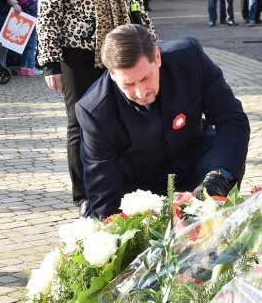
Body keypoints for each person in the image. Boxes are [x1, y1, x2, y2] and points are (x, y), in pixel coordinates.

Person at [37, 0, 156, 217]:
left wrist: (150, 40)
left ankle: (124, 184)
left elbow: (135, 0)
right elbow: (49, 10)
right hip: (77, 51)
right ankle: (85, 194)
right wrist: (50, 61)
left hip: (122, 49)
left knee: (124, 118)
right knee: (81, 122)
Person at [77, 24, 250, 219]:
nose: (141, 92)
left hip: (194, 154)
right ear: (112, 75)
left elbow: (231, 118)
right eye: (128, 84)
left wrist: (220, 177)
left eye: (145, 78)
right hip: (140, 179)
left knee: (226, 163)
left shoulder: (189, 59)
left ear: (157, 57)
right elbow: (103, 187)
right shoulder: (94, 111)